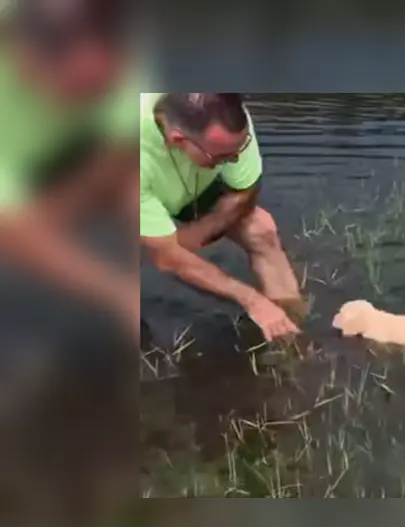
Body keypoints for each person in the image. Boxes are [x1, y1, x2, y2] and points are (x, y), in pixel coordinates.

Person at [0, 0, 140, 341]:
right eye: (75, 82)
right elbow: (8, 227)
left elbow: (123, 166)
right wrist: (117, 295)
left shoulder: (117, 66)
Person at [139, 93, 304, 342]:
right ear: (178, 140)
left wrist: (202, 231)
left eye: (239, 149)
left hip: (183, 186)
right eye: (221, 156)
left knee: (260, 229)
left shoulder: (226, 116)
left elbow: (245, 190)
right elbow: (168, 258)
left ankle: (290, 333)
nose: (235, 159)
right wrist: (251, 299)